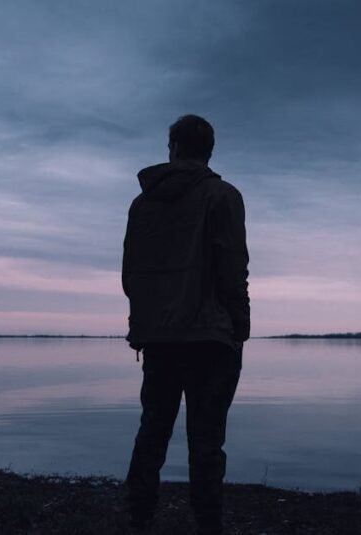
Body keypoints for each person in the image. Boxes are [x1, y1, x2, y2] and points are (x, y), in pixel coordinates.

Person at [122, 114, 250, 534]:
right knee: (207, 442)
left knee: (152, 433)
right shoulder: (223, 196)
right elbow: (233, 269)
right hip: (211, 339)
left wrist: (144, 323)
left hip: (160, 337)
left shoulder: (142, 205)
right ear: (209, 150)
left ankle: (137, 519)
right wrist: (240, 328)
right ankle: (208, 525)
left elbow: (131, 274)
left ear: (172, 148)